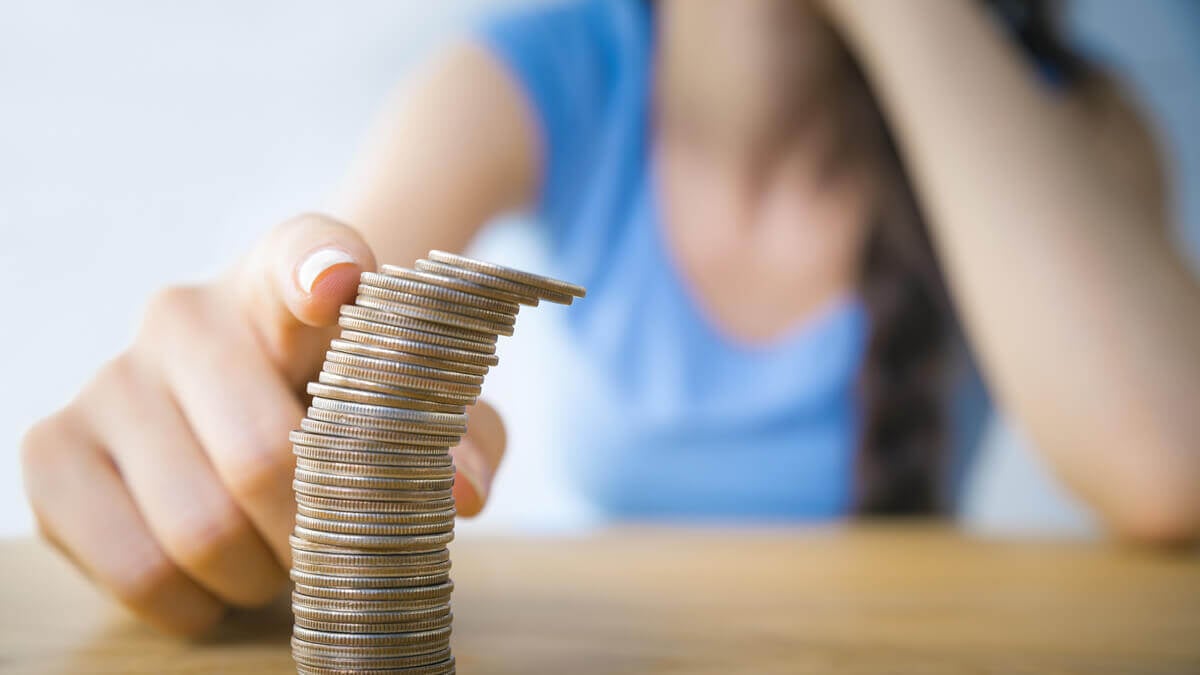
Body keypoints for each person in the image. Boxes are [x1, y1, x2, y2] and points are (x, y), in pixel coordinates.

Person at [20, 0, 1200, 636]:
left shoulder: (1065, 125)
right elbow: (319, 339)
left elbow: (1173, 458)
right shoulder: (551, 67)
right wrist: (235, 401)